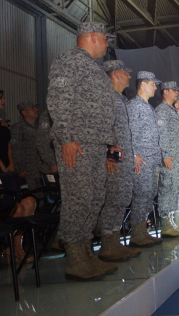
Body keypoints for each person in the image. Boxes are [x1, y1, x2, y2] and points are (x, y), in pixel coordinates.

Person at [47, 21, 118, 280]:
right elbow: (58, 99)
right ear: (91, 37)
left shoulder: (95, 69)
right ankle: (75, 257)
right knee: (78, 197)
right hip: (77, 143)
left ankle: (87, 252)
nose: (108, 44)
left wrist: (110, 145)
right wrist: (66, 137)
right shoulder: (69, 60)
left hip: (96, 145)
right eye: (105, 38)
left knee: (94, 197)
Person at [96, 60, 141, 262]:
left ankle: (115, 242)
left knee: (121, 199)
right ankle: (108, 244)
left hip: (124, 159)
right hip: (113, 160)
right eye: (126, 73)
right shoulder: (105, 97)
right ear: (115, 75)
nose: (129, 76)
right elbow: (101, 127)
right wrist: (108, 154)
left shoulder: (120, 99)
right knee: (113, 201)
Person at [127, 71, 163, 247]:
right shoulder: (134, 106)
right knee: (141, 195)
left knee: (148, 195)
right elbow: (129, 133)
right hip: (141, 160)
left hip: (151, 160)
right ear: (143, 84)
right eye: (153, 83)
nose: (155, 87)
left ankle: (142, 230)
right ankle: (136, 233)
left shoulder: (147, 107)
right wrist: (133, 155)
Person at [0, 90, 36, 264]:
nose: (4, 101)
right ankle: (12, 249)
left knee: (29, 203)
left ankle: (16, 246)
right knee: (17, 209)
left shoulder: (3, 125)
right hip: (3, 174)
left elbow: (8, 148)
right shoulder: (15, 128)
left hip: (9, 172)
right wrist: (5, 169)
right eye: (1, 98)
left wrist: (11, 167)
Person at [156, 85, 179, 237]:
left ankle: (172, 219)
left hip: (176, 158)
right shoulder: (162, 110)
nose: (177, 92)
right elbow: (161, 133)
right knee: (167, 189)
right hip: (169, 158)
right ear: (165, 92)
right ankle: (165, 223)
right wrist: (165, 155)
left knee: (175, 189)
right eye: (174, 90)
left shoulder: (171, 111)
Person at [10, 102, 47, 190]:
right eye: (32, 108)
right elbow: (15, 150)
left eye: (36, 107)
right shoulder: (18, 128)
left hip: (44, 169)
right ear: (24, 112)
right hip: (29, 171)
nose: (36, 109)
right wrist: (20, 169)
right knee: (33, 196)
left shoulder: (41, 127)